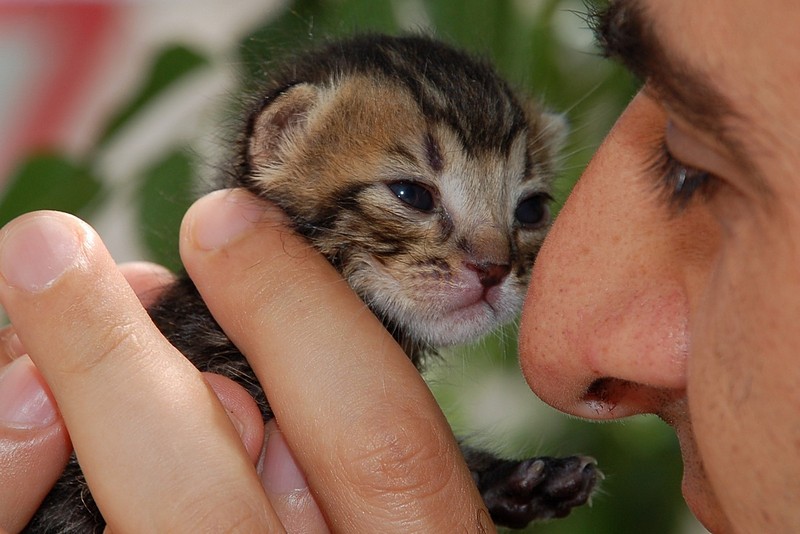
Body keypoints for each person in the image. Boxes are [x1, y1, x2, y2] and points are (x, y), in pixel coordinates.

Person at [1, 0, 798, 531]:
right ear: (282, 145)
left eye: (526, 212)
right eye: (415, 194)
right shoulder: (194, 346)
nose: (493, 259)